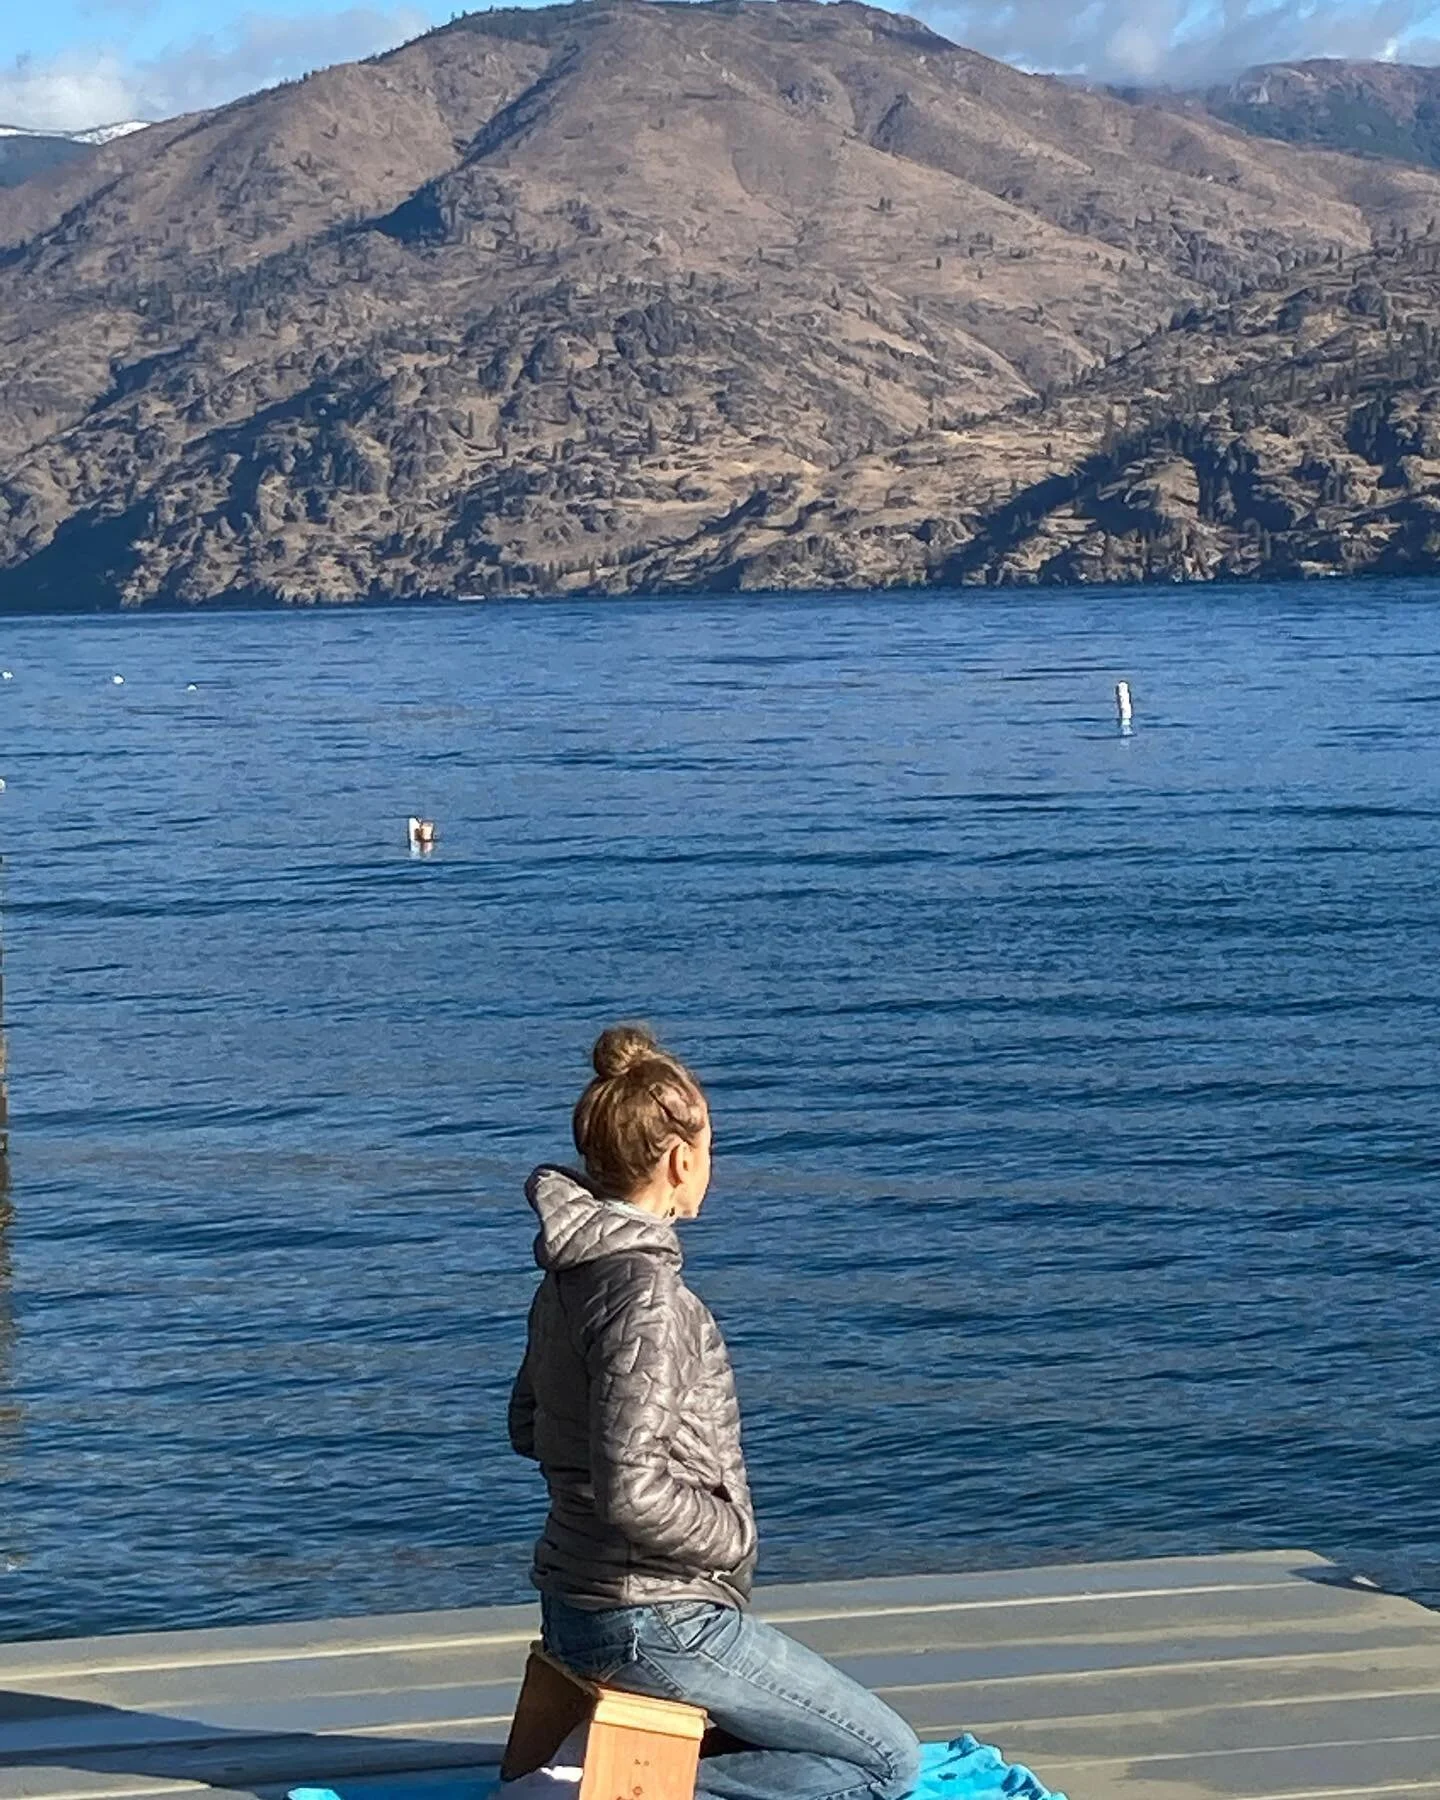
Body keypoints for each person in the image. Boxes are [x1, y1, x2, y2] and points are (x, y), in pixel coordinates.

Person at [508, 1024, 921, 1800]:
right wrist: (731, 1535)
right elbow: (632, 1489)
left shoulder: (567, 1278)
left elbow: (527, 1427)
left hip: (574, 1604)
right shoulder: (649, 1299)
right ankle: (621, 1790)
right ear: (679, 1159)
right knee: (887, 1762)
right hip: (656, 1620)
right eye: (711, 1148)